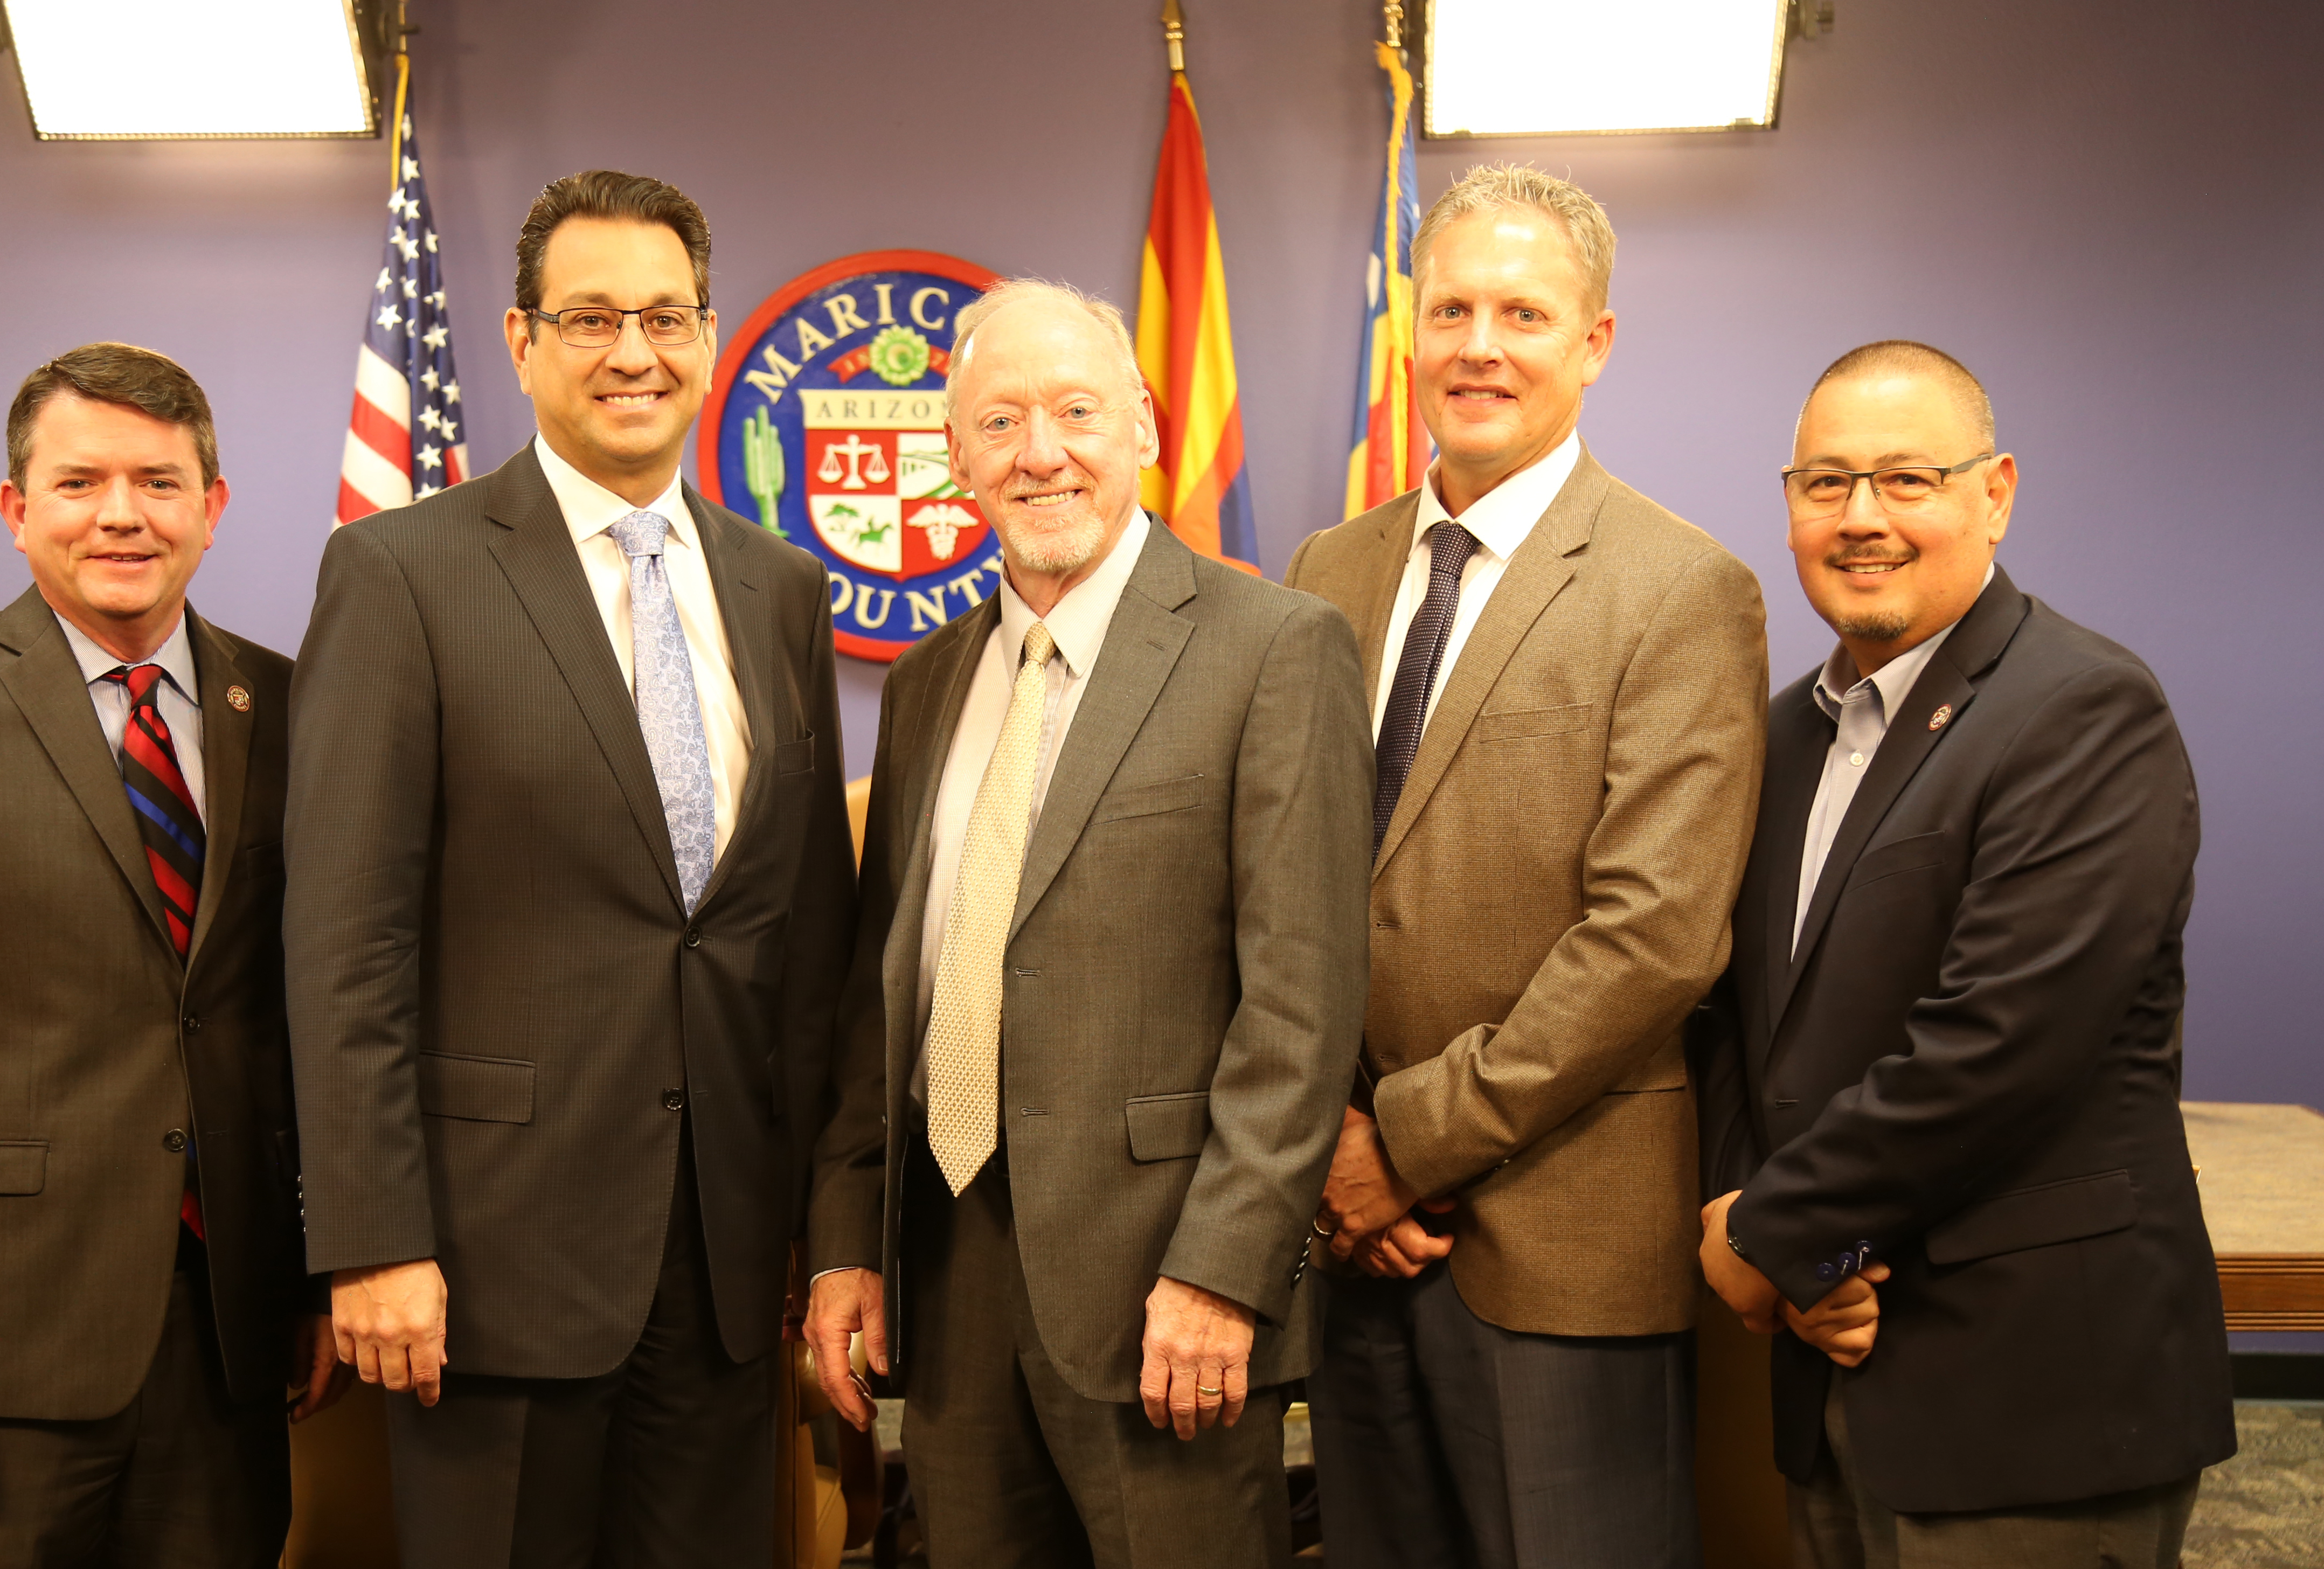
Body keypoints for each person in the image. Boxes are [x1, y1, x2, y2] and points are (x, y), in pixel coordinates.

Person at [285, 169, 858, 1569]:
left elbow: (809, 956)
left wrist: (829, 1232)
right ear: (522, 339)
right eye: (591, 317)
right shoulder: (400, 572)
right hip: (488, 1262)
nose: (633, 353)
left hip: (725, 1268)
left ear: (711, 339)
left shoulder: (780, 588)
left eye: (665, 317)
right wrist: (372, 1239)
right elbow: (345, 939)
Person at [802, 279, 1372, 1569]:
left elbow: (1303, 1005)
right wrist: (847, 1242)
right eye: (999, 423)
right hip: (949, 1290)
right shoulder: (930, 683)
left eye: (1074, 411)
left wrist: (1225, 1269)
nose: (1041, 452)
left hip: (1164, 1289)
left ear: (1147, 427)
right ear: (957, 462)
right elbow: (881, 999)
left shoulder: (1275, 648)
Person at [1281, 164, 1767, 1568]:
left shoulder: (1679, 587)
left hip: (1559, 1239)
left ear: (1595, 343)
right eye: (1451, 310)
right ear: (1411, 334)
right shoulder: (1329, 569)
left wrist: (1408, 1147)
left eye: (1523, 313)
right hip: (1350, 1223)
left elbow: (1656, 936)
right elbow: (1291, 884)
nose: (1478, 345)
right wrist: (1329, 1147)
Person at [0, 342, 340, 1566]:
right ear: (16, 509)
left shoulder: (297, 706)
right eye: (80, 481)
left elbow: (304, 1023)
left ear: (213, 506)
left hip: (229, 1337)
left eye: (158, 480)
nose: (121, 516)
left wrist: (314, 1277)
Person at [1692, 341, 2234, 1568]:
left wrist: (1769, 1233)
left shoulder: (2084, 709)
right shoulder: (1780, 734)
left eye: (1908, 479)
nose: (1862, 517)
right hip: (1831, 1362)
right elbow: (1733, 1019)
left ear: (1995, 492)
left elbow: (2000, 1050)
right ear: (1789, 508)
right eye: (1827, 484)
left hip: (2030, 1395)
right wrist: (1768, 1229)